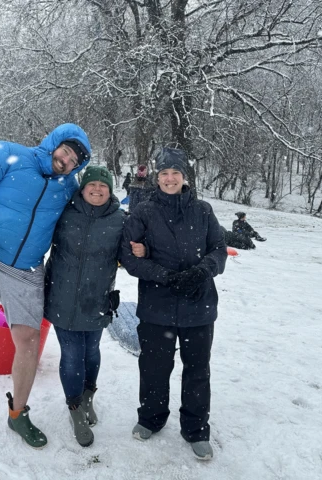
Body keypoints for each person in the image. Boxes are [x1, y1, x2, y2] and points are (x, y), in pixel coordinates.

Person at [0, 123, 91, 449]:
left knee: (27, 340)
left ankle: (17, 415)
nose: (66, 160)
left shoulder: (68, 188)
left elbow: (90, 213)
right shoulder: (7, 153)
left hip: (25, 268)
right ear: (55, 143)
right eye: (66, 150)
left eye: (74, 160)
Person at [120, 146, 227, 461]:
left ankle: (196, 428)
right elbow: (128, 256)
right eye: (164, 173)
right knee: (154, 366)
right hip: (157, 305)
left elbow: (219, 249)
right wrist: (166, 276)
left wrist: (198, 274)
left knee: (197, 369)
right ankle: (151, 417)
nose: (169, 179)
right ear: (157, 176)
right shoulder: (144, 211)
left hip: (199, 304)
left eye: (175, 173)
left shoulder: (203, 210)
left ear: (184, 176)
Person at [44, 166, 145, 447]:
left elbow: (128, 258)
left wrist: (141, 251)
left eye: (104, 186)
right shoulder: (63, 213)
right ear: (83, 188)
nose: (97, 189)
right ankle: (75, 408)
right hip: (62, 298)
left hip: (97, 299)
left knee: (91, 352)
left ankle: (88, 396)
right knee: (72, 354)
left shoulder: (120, 220)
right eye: (92, 185)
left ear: (111, 190)